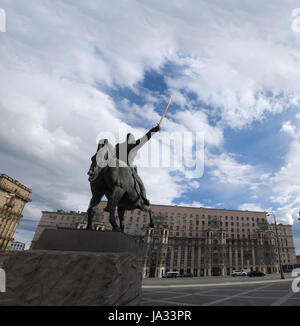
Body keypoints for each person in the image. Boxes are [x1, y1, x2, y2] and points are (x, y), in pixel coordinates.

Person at [115, 124, 160, 206]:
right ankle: (144, 198)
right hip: (128, 168)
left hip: (116, 168)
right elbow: (145, 138)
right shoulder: (133, 145)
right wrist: (154, 130)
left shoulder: (118, 146)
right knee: (141, 185)